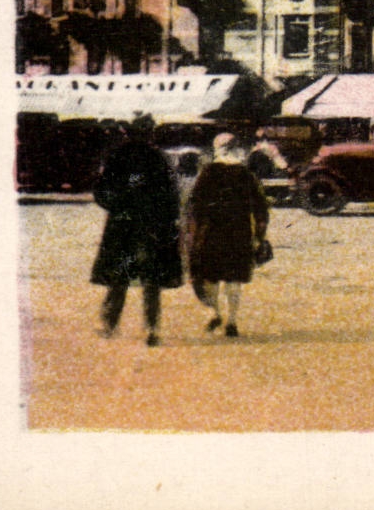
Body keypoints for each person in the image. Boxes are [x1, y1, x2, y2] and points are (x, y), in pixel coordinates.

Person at [90, 114, 184, 346]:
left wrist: (117, 205)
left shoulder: (118, 156)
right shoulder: (158, 158)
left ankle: (109, 323)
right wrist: (170, 223)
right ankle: (151, 328)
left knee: (119, 276)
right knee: (150, 278)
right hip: (152, 225)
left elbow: (101, 190)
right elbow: (172, 195)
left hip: (123, 224)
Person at [186, 133, 271, 338]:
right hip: (239, 232)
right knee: (234, 279)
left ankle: (215, 313)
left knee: (211, 277)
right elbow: (260, 208)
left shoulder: (208, 173)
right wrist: (259, 236)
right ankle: (232, 321)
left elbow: (195, 207)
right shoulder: (245, 174)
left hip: (213, 233)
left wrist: (194, 235)